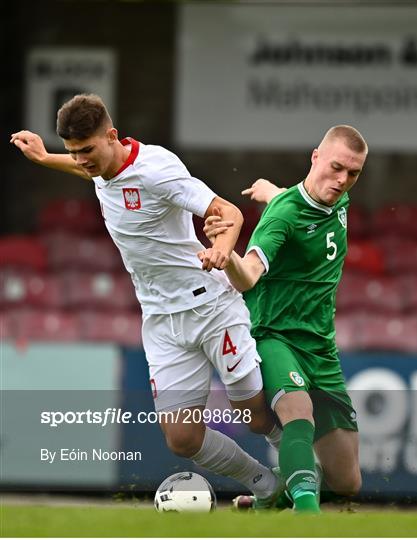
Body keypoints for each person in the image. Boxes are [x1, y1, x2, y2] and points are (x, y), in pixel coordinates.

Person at [10, 94, 285, 507]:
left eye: (87, 150)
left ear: (112, 136)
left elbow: (228, 211)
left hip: (209, 306)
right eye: (74, 152)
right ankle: (268, 486)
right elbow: (92, 173)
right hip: (161, 321)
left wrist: (222, 249)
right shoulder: (100, 165)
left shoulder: (158, 169)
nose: (82, 160)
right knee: (182, 438)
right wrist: (47, 157)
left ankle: (303, 471)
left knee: (254, 415)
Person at [200, 125, 368, 513]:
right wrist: (228, 259)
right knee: (298, 412)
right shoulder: (281, 218)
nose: (343, 180)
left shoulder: (334, 198)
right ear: (315, 157)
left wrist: (271, 190)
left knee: (348, 482)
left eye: (353, 173)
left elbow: (304, 205)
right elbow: (250, 276)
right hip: (274, 335)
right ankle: (305, 520)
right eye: (337, 168)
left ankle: (279, 496)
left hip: (321, 347)